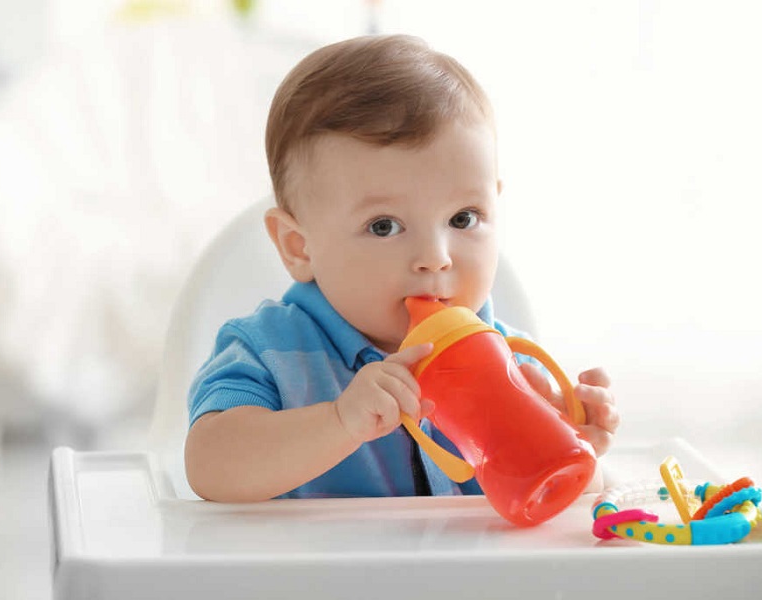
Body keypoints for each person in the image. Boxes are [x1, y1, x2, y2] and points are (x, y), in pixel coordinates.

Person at [185, 34, 619, 503]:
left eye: (463, 219)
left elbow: (553, 515)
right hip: (314, 576)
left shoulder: (515, 366)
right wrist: (338, 422)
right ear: (299, 247)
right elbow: (210, 466)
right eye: (385, 226)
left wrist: (576, 454)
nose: (435, 256)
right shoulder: (267, 351)